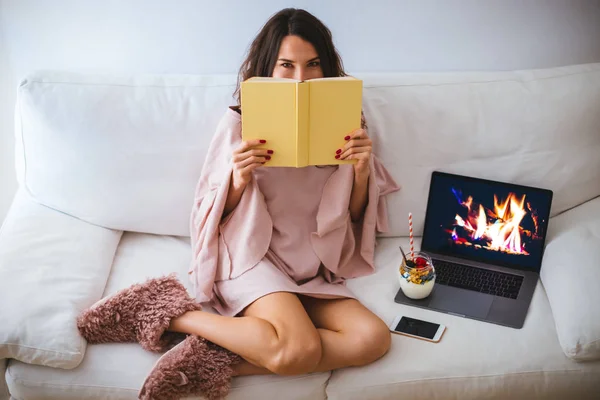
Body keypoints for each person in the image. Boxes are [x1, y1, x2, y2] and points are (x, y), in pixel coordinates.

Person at [77, 8, 400, 400]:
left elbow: (353, 217)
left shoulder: (349, 124)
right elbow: (210, 215)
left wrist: (362, 170)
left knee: (372, 339)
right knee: (298, 349)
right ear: (268, 67)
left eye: (312, 64)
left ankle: (217, 355)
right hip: (255, 259)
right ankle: (174, 312)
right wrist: (238, 178)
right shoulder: (238, 123)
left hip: (314, 264)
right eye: (287, 65)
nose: (301, 77)